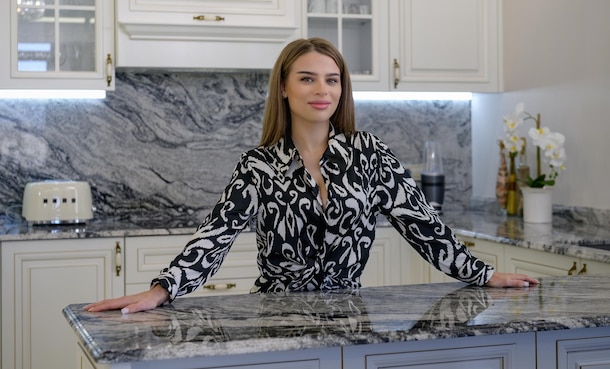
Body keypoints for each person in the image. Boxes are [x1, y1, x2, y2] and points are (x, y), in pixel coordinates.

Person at [85, 38, 538, 314]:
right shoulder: (258, 164)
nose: (323, 90)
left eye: (333, 80)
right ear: (283, 87)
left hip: (352, 318)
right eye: (307, 79)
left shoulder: (370, 155)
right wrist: (162, 290)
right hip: (274, 319)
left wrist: (483, 274)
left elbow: (424, 228)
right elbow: (215, 237)